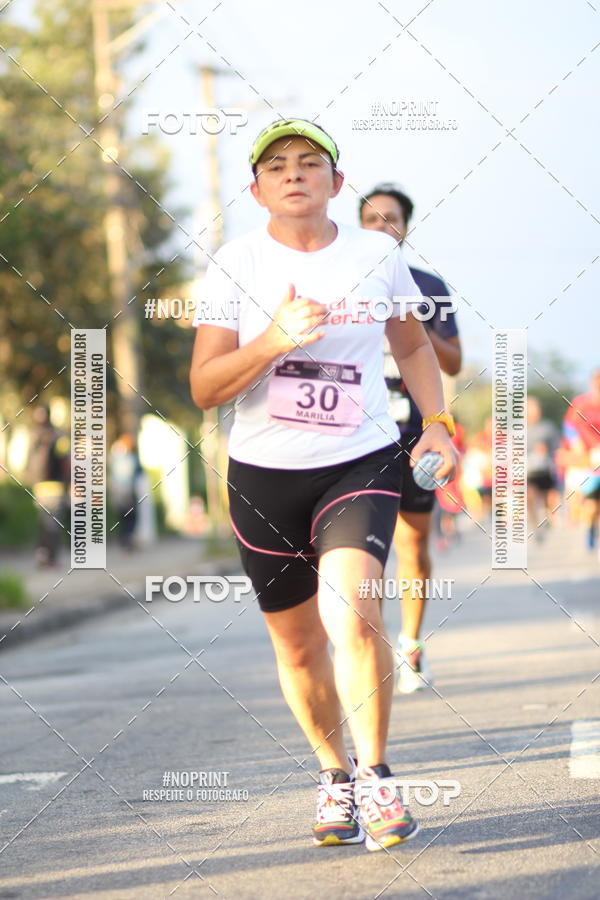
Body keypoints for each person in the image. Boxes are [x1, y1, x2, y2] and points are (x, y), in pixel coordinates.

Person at [190, 119, 458, 852]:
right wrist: (274, 339)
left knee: (354, 612)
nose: (295, 173)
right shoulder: (232, 263)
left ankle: (375, 775)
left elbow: (409, 342)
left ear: (337, 183)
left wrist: (436, 420)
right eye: (277, 166)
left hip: (360, 459)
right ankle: (333, 775)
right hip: (265, 476)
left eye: (311, 162)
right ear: (257, 190)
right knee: (301, 647)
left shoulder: (377, 253)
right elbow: (205, 387)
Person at [359, 185, 462, 693]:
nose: (381, 226)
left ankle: (411, 644)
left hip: (416, 433)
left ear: (405, 226)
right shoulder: (339, 282)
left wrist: (418, 326)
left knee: (413, 543)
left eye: (390, 218)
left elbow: (454, 362)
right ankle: (365, 647)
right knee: (361, 547)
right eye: (371, 219)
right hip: (358, 431)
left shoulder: (427, 285)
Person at [25, 406, 70, 567]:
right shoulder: (58, 436)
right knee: (53, 523)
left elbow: (28, 461)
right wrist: (70, 482)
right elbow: (65, 461)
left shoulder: (33, 435)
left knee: (44, 521)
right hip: (55, 486)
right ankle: (51, 557)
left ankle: (42, 554)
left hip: (39, 485)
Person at [563, 371, 600, 549]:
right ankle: (589, 526)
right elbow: (569, 427)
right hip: (589, 459)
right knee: (592, 503)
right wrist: (577, 446)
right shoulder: (581, 403)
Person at [526, 397, 560, 539]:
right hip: (528, 470)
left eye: (536, 408)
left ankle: (547, 518)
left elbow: (558, 446)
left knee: (548, 499)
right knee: (529, 497)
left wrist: (548, 450)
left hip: (545, 469)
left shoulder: (548, 427)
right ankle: (535, 526)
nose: (535, 411)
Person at [108, 433, 143, 550]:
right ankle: (128, 538)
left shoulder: (114, 455)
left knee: (122, 515)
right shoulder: (128, 457)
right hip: (126, 489)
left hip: (117, 489)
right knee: (130, 515)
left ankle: (124, 538)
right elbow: (135, 473)